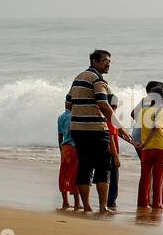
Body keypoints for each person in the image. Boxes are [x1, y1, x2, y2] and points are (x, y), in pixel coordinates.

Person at [69, 50, 120, 214]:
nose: (108, 63)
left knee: (84, 166)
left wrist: (82, 113)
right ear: (94, 61)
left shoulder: (77, 78)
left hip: (77, 129)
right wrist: (118, 125)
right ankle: (103, 207)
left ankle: (87, 206)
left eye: (109, 61)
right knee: (103, 167)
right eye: (105, 60)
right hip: (96, 130)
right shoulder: (98, 79)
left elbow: (68, 104)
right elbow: (104, 105)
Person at [135, 81, 163, 210]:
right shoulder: (161, 110)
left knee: (145, 177)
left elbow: (141, 127)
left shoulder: (144, 110)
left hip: (146, 149)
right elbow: (155, 128)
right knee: (158, 177)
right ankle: (157, 204)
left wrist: (141, 143)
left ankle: (142, 203)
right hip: (160, 147)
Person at [106, 92, 139, 211]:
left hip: (110, 152)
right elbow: (110, 139)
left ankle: (109, 202)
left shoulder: (111, 118)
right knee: (112, 179)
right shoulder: (109, 119)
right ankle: (110, 203)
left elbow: (120, 133)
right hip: (110, 153)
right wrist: (116, 157)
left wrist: (133, 143)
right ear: (113, 106)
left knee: (110, 179)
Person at [56, 94, 81, 211]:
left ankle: (65, 202)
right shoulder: (75, 116)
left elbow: (60, 136)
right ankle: (77, 203)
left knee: (64, 173)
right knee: (74, 174)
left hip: (64, 147)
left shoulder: (60, 117)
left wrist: (61, 149)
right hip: (74, 147)